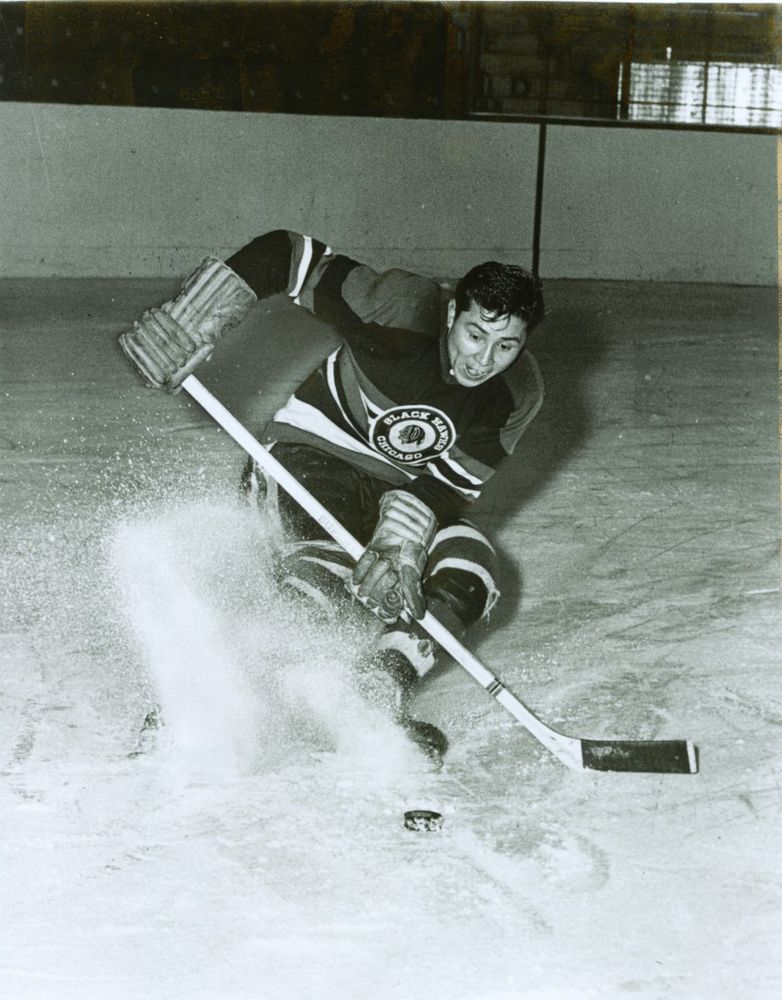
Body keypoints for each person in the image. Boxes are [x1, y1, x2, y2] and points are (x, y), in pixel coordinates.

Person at [119, 230, 546, 763]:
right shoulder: (402, 308)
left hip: (392, 495)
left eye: (505, 346)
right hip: (303, 462)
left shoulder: (516, 395)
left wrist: (402, 541)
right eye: (474, 335)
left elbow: (448, 485)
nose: (484, 360)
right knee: (327, 574)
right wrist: (191, 317)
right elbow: (287, 255)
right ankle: (195, 705)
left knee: (471, 567)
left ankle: (374, 688)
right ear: (453, 311)